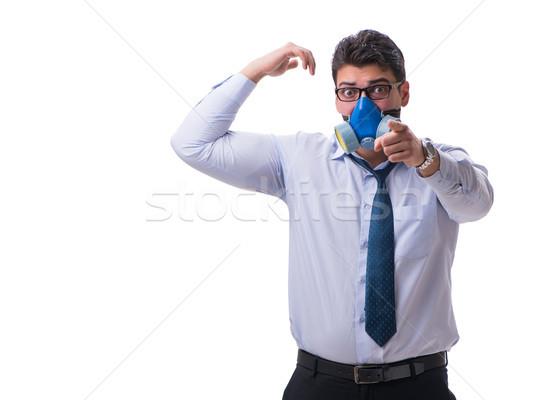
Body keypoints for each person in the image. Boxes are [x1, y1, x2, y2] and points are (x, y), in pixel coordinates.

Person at [171, 29, 493, 400]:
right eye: (349, 91)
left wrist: (425, 158)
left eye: (378, 89)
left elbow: (478, 205)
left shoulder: (440, 165)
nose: (363, 104)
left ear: (403, 93)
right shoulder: (298, 159)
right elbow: (191, 143)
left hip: (419, 385)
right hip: (319, 384)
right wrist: (255, 71)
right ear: (337, 99)